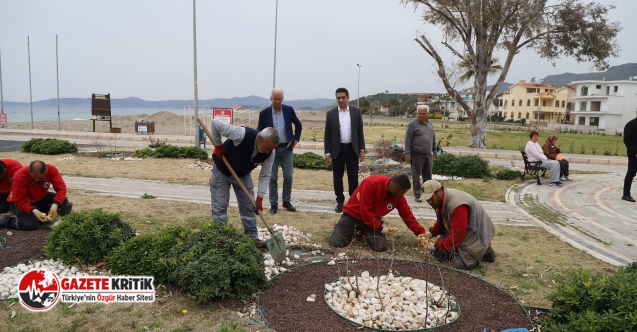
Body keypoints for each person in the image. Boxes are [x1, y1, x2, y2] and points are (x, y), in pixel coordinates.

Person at [209, 119, 279, 248]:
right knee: (220, 206)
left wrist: (259, 197)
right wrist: (218, 146)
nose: (268, 151)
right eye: (266, 147)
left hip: (243, 174)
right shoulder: (241, 134)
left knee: (250, 206)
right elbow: (214, 124)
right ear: (259, 138)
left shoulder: (270, 153)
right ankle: (221, 238)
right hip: (222, 170)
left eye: (271, 149)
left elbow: (265, 175)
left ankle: (252, 237)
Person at [328, 174, 426, 252]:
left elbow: (407, 215)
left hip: (373, 222)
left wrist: (420, 233)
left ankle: (363, 232)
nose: (403, 195)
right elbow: (365, 212)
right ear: (395, 189)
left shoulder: (398, 197)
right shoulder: (371, 183)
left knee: (380, 247)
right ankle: (354, 230)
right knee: (336, 243)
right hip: (353, 216)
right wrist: (381, 229)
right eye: (402, 193)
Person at [420, 180, 496, 270]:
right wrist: (431, 233)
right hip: (463, 231)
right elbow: (443, 220)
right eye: (427, 199)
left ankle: (483, 250)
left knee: (458, 264)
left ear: (439, 191)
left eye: (431, 198)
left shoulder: (457, 205)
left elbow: (457, 236)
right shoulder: (441, 200)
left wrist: (439, 246)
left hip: (476, 235)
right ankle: (462, 251)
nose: (429, 202)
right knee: (437, 253)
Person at [257, 87, 303, 214]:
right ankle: (273, 204)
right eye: (275, 99)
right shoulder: (264, 113)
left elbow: (298, 125)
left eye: (279, 99)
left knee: (288, 176)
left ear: (283, 99)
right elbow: (259, 132)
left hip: (287, 148)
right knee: (272, 178)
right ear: (271, 99)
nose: (277, 102)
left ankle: (286, 201)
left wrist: (296, 139)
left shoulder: (289, 110)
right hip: (271, 150)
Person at [324, 87, 366, 213]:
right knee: (337, 177)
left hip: (352, 149)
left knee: (353, 177)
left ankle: (353, 202)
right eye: (338, 98)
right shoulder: (331, 114)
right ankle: (340, 201)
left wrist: (362, 149)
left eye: (343, 97)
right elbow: (327, 134)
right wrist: (327, 151)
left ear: (348, 97)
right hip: (337, 150)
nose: (341, 100)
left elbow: (360, 132)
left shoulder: (356, 112)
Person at [1, 160, 73, 231]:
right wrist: (34, 210)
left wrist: (55, 204)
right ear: (30, 171)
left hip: (40, 197)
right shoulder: (19, 176)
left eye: (40, 178)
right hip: (22, 202)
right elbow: (19, 201)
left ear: (45, 172)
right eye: (33, 177)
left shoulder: (51, 170)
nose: (36, 180)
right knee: (28, 225)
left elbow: (61, 188)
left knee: (63, 201)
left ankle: (58, 221)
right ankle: (5, 220)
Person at [405, 105, 437, 202]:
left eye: (423, 114)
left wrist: (435, 149)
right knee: (416, 175)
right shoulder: (412, 125)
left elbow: (433, 137)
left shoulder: (430, 124)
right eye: (419, 113)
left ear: (427, 114)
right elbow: (408, 140)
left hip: (428, 154)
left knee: (428, 176)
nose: (421, 115)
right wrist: (407, 153)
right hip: (417, 154)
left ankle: (427, 194)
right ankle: (417, 194)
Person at [622, 110, 637, 202]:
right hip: (634, 154)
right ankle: (626, 194)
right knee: (631, 173)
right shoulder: (631, 125)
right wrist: (635, 151)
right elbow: (627, 140)